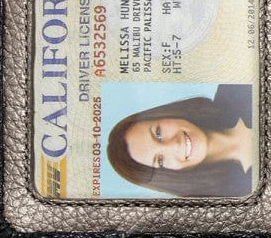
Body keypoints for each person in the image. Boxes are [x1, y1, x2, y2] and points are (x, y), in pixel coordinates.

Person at [105, 84, 254, 197]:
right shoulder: (232, 201)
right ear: (167, 175)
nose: (174, 145)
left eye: (158, 133)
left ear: (164, 114)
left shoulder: (237, 88)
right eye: (160, 160)